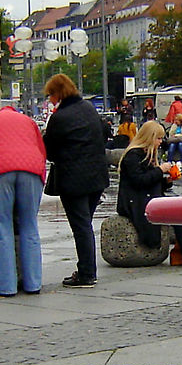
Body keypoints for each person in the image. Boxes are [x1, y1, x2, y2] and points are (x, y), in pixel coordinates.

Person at [43, 74, 109, 288]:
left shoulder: (60, 117)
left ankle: (87, 274)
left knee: (81, 227)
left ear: (59, 93)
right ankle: (86, 269)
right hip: (97, 177)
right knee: (85, 225)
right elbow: (102, 135)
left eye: (50, 94)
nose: (50, 99)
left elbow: (49, 150)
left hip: (74, 180)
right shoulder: (89, 109)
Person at [0, 105, 46, 296]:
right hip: (31, 169)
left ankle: (6, 287)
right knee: (30, 225)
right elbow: (41, 150)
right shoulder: (29, 122)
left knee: (3, 225)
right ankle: (33, 283)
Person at [116, 121, 182, 265]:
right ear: (149, 138)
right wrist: (160, 170)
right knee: (177, 214)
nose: (160, 142)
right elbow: (139, 182)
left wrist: (166, 181)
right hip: (135, 202)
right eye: (159, 139)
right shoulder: (133, 156)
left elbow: (150, 183)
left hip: (147, 198)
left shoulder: (147, 154)